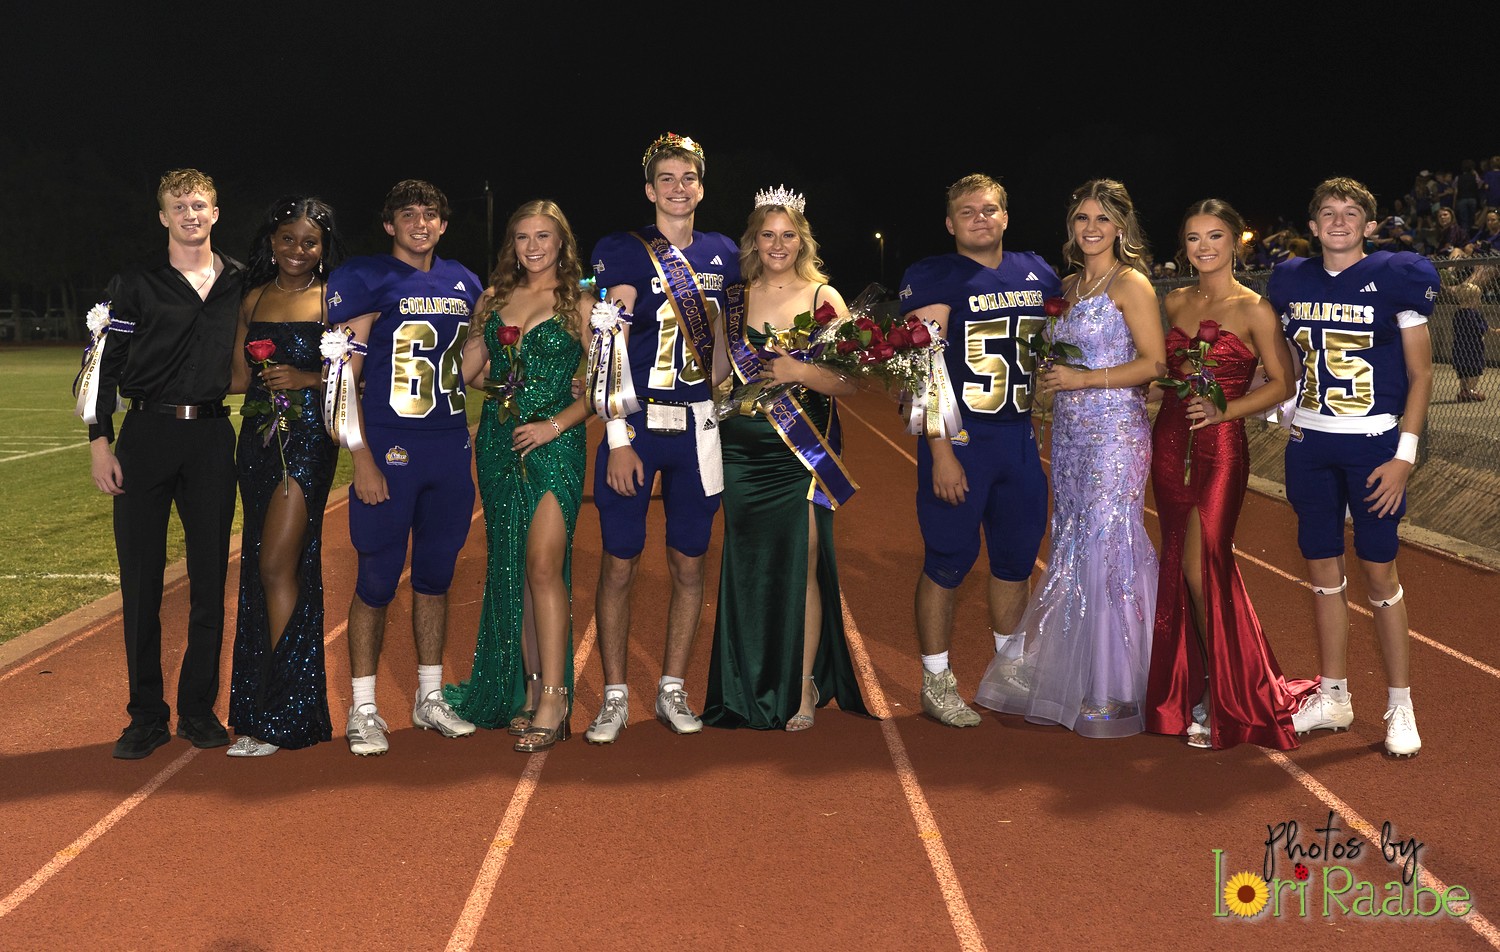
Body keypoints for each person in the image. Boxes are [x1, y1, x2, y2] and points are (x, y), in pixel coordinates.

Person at [974, 178, 1166, 738]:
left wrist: (1083, 379)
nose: (1091, 228)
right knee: (1073, 541)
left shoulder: (1131, 283)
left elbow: (1154, 364)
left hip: (1115, 434)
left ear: (1121, 228)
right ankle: (1080, 677)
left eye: (1102, 219)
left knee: (1109, 542)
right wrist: (1046, 384)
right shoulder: (1067, 287)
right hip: (1070, 435)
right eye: (1082, 218)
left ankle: (1118, 687)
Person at [1267, 176, 1438, 758]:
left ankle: (1400, 703)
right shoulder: (1291, 279)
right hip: (1310, 445)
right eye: (1328, 212)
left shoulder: (1397, 276)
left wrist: (1404, 457)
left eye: (1350, 212)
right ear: (1312, 225)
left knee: (1380, 573)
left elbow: (1421, 374)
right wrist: (1276, 405)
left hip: (1373, 445)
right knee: (1321, 571)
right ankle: (1334, 694)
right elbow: (1293, 360)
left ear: (1369, 225)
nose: (1338, 221)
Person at [582, 133, 741, 743]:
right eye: (667, 179)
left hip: (697, 424)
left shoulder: (725, 253)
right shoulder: (623, 250)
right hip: (639, 423)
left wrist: (732, 389)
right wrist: (617, 435)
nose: (679, 188)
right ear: (650, 190)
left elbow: (723, 342)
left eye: (688, 178)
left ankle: (672, 686)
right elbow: (609, 346)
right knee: (620, 561)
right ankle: (615, 694)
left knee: (689, 561)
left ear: (702, 187)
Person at [80, 169, 244, 759]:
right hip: (145, 436)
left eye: (199, 205)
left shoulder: (240, 280)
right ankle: (146, 715)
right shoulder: (134, 283)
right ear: (163, 217)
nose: (190, 214)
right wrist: (100, 442)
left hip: (211, 437)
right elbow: (101, 361)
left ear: (215, 212)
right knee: (142, 582)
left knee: (210, 580)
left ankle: (198, 709)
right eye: (179, 206)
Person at [894, 173, 1061, 728]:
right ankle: (936, 679)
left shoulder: (1037, 271)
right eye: (966, 212)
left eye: (989, 209)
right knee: (947, 560)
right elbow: (922, 369)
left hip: (1018, 438)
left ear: (1006, 216)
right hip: (962, 439)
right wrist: (940, 452)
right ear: (950, 224)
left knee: (1015, 560)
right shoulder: (934, 276)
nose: (979, 219)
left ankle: (1008, 668)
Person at [702, 186, 871, 731]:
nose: (777, 244)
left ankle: (802, 685)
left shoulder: (825, 296)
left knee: (803, 560)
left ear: (803, 240)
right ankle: (746, 682)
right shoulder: (733, 300)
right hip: (742, 453)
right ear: (753, 240)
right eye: (767, 235)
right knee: (749, 566)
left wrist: (799, 372)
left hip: (801, 452)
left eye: (788, 235)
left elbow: (850, 382)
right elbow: (713, 377)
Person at [1141, 199, 1304, 751]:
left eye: (1214, 236)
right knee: (1178, 563)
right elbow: (1165, 375)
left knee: (1202, 563)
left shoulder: (1256, 309)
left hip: (1222, 447)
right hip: (1170, 443)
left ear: (1236, 241)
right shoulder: (1174, 300)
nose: (1203, 247)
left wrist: (1223, 410)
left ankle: (1226, 693)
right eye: (1193, 238)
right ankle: (1192, 684)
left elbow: (1281, 384)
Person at [326, 179, 481, 756]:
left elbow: (470, 368)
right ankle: (364, 705)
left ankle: (429, 695)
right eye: (409, 214)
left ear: (444, 223)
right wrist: (361, 457)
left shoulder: (465, 282)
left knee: (436, 576)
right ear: (389, 225)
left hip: (448, 445)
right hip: (390, 447)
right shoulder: (366, 278)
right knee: (376, 578)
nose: (421, 223)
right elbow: (342, 376)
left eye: (431, 214)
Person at [443, 200, 592, 752]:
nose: (533, 247)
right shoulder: (495, 299)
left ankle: (555, 697)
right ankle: (530, 690)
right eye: (523, 237)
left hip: (556, 442)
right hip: (500, 444)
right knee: (516, 567)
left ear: (562, 243)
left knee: (544, 565)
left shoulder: (581, 303)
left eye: (544, 236)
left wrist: (555, 424)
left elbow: (609, 386)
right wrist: (477, 331)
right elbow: (467, 376)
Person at [223, 197, 347, 757]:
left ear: (324, 248)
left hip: (308, 442)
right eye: (288, 239)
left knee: (276, 563)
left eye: (310, 241)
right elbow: (236, 377)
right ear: (271, 242)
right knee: (264, 566)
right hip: (256, 440)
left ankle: (283, 711)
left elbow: (355, 374)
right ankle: (265, 709)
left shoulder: (334, 299)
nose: (298, 249)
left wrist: (307, 377)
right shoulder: (252, 297)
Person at [1450, 279, 1490, 402]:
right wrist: (1485, 327)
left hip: (1459, 348)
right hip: (1473, 349)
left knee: (1463, 372)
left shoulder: (1458, 314)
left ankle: (1464, 390)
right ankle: (1471, 390)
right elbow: (1479, 328)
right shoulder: (1473, 314)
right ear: (1472, 300)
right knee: (1475, 371)